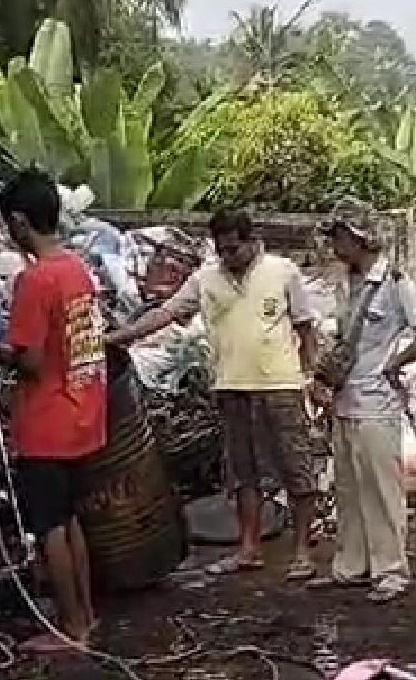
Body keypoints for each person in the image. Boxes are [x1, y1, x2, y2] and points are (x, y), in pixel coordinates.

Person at [108, 208, 323, 580]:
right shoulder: (206, 279)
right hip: (230, 387)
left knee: (296, 468)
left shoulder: (282, 271)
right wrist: (118, 338)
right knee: (242, 473)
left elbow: (305, 330)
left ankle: (303, 550)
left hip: (281, 386)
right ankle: (249, 548)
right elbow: (166, 313)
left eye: (235, 250)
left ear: (252, 241)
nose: (229, 257)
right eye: (222, 250)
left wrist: (311, 376)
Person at [0, 169, 106, 653]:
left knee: (48, 526)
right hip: (84, 414)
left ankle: (70, 629)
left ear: (20, 222)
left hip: (46, 421)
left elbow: (33, 360)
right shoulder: (77, 269)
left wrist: (3, 355)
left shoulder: (35, 280)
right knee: (70, 519)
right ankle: (86, 615)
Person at [313, 196, 416, 604]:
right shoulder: (347, 284)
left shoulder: (394, 282)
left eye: (339, 236)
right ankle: (351, 564)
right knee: (348, 487)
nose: (334, 245)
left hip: (376, 399)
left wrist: (393, 364)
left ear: (357, 237)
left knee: (382, 489)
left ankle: (390, 569)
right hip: (346, 398)